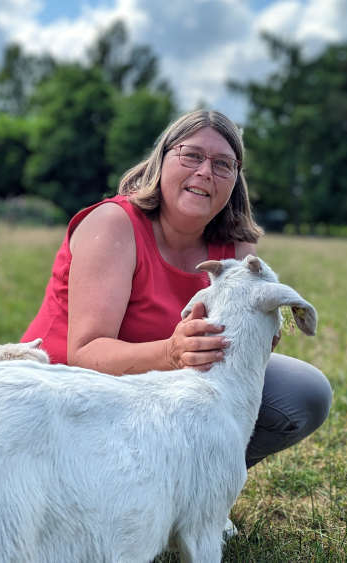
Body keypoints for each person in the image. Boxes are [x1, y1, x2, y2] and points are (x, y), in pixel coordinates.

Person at [22, 108, 331, 471]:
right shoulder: (113, 224)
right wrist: (172, 353)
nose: (204, 172)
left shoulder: (238, 251)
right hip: (67, 398)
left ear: (235, 179)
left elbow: (231, 366)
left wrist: (256, 345)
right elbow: (84, 354)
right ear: (162, 158)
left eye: (223, 164)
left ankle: (194, 488)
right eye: (192, 155)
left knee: (303, 392)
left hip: (156, 399)